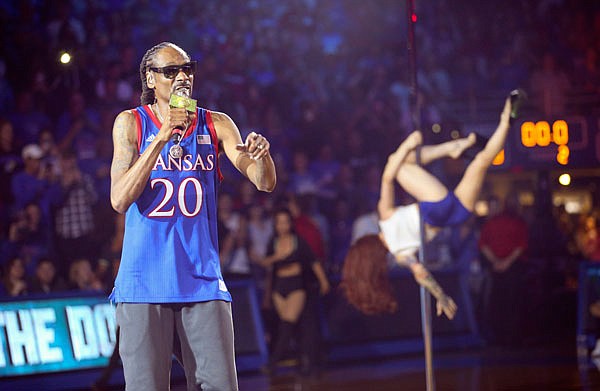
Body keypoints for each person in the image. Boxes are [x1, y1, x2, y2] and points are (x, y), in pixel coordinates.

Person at [109, 42, 276, 391]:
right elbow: (119, 199)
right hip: (144, 282)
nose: (183, 76)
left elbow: (264, 182)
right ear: (151, 79)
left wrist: (263, 156)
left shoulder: (216, 123)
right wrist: (161, 136)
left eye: (188, 68)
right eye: (172, 71)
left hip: (202, 280)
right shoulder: (130, 123)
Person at [341, 96, 513, 320]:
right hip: (434, 206)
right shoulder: (384, 216)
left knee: (481, 161)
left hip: (453, 216)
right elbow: (387, 177)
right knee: (399, 163)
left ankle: (507, 122)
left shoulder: (402, 256)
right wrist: (408, 144)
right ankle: (452, 147)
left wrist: (440, 296)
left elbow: (421, 274)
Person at [260, 208, 330, 374]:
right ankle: (303, 359)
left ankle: (273, 363)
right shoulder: (273, 242)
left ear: (290, 223)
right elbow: (265, 263)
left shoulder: (298, 241)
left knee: (287, 325)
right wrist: (276, 257)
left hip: (296, 286)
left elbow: (313, 262)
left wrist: (324, 281)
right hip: (279, 288)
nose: (283, 226)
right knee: (291, 327)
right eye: (279, 222)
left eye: (286, 222)